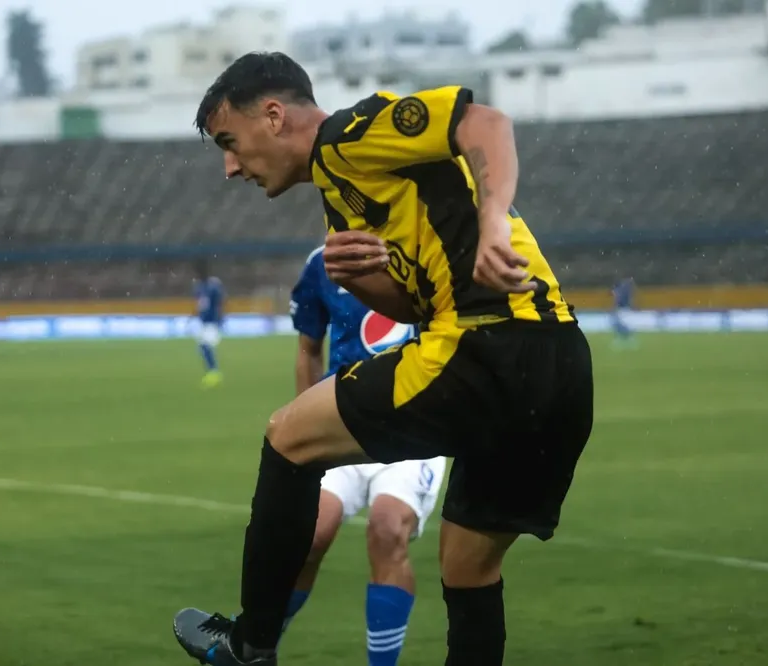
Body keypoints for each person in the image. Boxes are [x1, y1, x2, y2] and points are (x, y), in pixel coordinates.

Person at [173, 52, 594, 666]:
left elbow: (486, 124)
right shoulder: (344, 199)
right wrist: (361, 278)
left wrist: (495, 220)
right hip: (559, 364)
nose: (230, 167)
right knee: (468, 571)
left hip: (488, 345)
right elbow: (411, 306)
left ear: (272, 116)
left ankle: (250, 643)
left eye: (230, 143)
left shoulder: (351, 135)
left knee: (287, 438)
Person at [285, 244, 447, 666]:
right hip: (342, 424)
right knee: (306, 537)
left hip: (416, 431)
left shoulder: (423, 246)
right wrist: (304, 428)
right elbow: (308, 348)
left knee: (387, 528)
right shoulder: (321, 262)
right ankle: (256, 647)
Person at [194, 261, 225, 388]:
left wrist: (220, 318)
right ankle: (212, 372)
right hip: (204, 322)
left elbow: (220, 303)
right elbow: (200, 305)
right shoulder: (200, 287)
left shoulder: (213, 287)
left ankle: (214, 372)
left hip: (213, 322)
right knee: (202, 347)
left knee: (205, 346)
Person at [611, 276, 637, 349]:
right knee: (623, 324)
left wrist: (614, 308)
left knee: (620, 324)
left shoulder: (621, 290)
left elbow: (617, 300)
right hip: (624, 309)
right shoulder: (626, 290)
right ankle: (628, 339)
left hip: (623, 309)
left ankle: (624, 339)